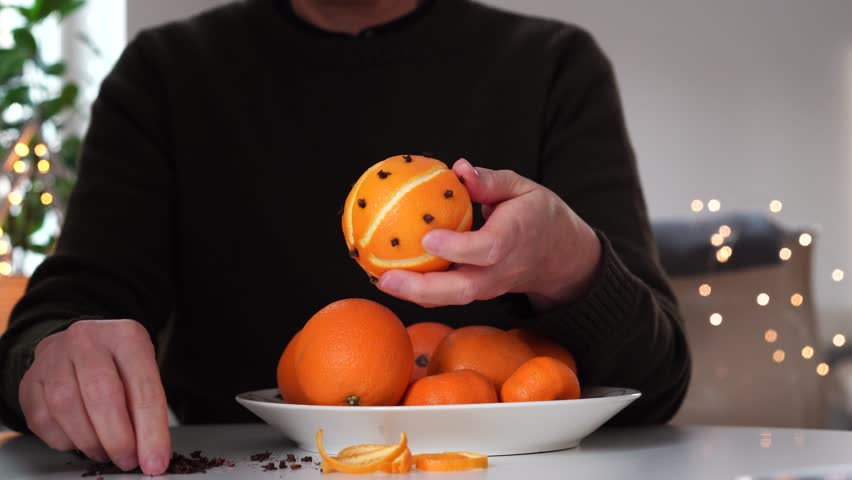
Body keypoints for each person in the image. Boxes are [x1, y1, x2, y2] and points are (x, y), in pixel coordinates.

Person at [0, 0, 690, 475]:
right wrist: (53, 357)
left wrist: (569, 265)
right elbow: (61, 314)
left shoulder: (554, 67)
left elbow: (656, 389)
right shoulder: (164, 75)